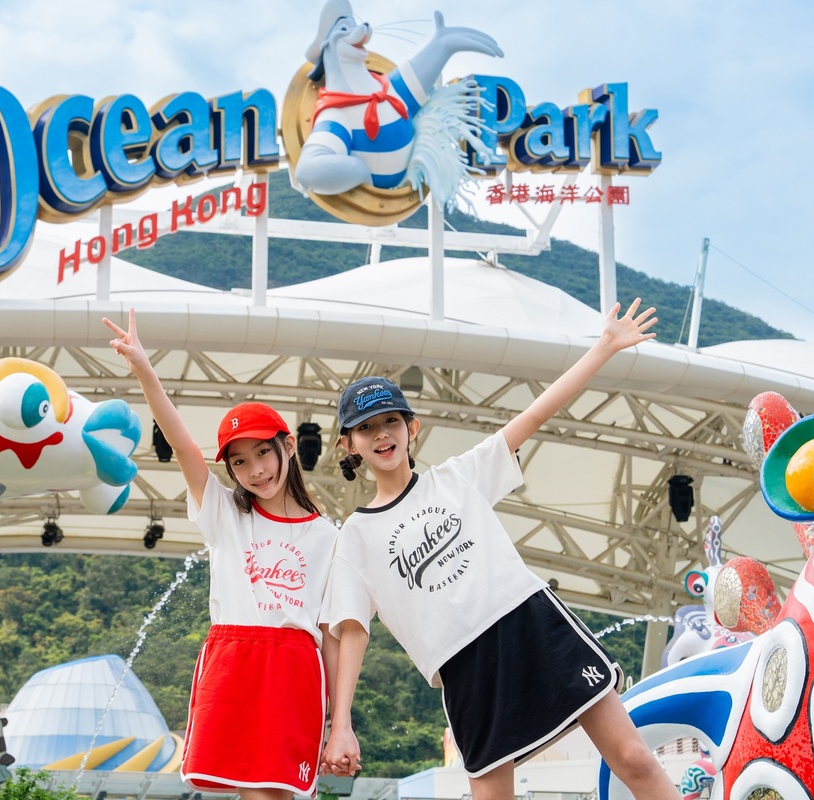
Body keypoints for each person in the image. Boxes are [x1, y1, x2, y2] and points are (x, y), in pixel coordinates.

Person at [321, 299, 680, 800]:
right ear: (348, 445)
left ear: (412, 428)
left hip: (528, 623)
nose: (381, 434)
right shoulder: (355, 536)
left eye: (390, 421)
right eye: (365, 427)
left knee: (635, 758)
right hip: (463, 666)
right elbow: (350, 631)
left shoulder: (458, 477)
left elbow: (535, 413)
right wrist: (339, 725)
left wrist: (604, 347)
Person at [103, 309, 339, 800]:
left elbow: (330, 632)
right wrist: (145, 370)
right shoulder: (225, 514)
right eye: (239, 461)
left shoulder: (327, 536)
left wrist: (340, 720)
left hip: (294, 669)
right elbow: (183, 445)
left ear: (288, 446)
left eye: (263, 453)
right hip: (233, 661)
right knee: (252, 792)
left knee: (276, 792)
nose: (255, 470)